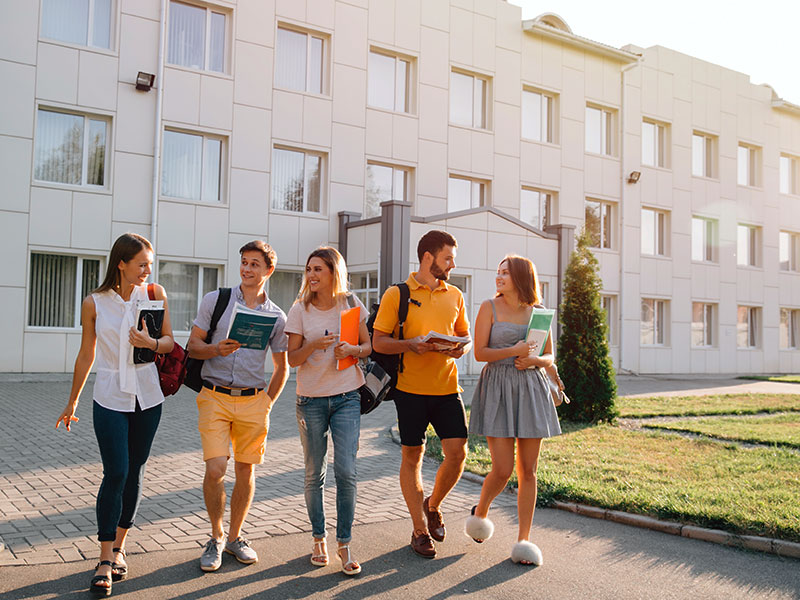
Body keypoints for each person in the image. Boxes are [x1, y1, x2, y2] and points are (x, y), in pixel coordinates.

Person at [56, 233, 175, 596]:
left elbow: (169, 341)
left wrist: (150, 344)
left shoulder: (155, 295)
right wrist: (72, 400)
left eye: (149, 265)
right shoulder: (94, 303)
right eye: (141, 264)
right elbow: (86, 354)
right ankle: (104, 557)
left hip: (148, 395)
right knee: (116, 471)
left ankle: (121, 547)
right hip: (109, 395)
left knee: (135, 470)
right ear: (121, 263)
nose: (147, 271)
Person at [187, 241, 289, 572]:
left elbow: (282, 367)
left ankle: (235, 537)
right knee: (216, 468)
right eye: (244, 262)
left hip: (252, 402)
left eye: (254, 264)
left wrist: (267, 403)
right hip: (214, 396)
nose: (246, 269)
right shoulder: (215, 301)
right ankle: (215, 538)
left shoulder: (276, 316)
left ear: (268, 270)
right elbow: (192, 347)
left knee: (246, 470)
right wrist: (216, 350)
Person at [372, 230, 471, 559]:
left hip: (447, 388)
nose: (453, 264)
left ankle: (433, 505)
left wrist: (459, 348)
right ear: (428, 257)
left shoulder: (455, 295)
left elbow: (463, 334)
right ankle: (418, 529)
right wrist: (410, 345)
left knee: (457, 454)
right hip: (409, 391)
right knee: (412, 457)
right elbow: (379, 342)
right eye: (448, 258)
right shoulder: (396, 294)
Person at [464, 255, 561, 566]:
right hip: (498, 389)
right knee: (503, 469)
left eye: (505, 273)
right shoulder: (488, 307)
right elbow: (480, 353)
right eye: (498, 272)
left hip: (531, 390)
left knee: (529, 471)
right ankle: (480, 513)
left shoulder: (538, 314)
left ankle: (523, 540)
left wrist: (534, 360)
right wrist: (515, 351)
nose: (499, 277)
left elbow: (549, 356)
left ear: (521, 278)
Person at [285, 247, 371, 576]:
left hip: (347, 396)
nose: (311, 275)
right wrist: (314, 346)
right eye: (309, 269)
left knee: (346, 471)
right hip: (311, 399)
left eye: (318, 269)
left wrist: (352, 350)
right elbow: (292, 359)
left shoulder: (350, 304)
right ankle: (318, 537)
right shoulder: (299, 309)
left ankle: (345, 543)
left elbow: (368, 346)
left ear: (334, 272)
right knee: (314, 473)